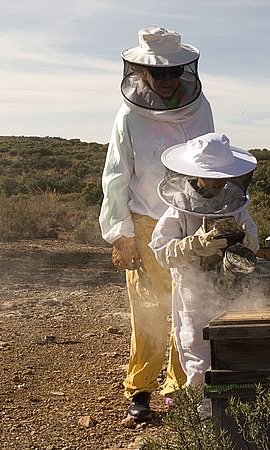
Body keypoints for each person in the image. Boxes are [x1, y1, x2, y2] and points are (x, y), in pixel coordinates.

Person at [99, 26, 214, 422]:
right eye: (158, 73)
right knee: (148, 309)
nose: (166, 80)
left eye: (173, 72)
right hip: (145, 219)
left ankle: (181, 390)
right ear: (141, 72)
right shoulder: (129, 114)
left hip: (190, 219)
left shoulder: (201, 108)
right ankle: (141, 391)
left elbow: (210, 163)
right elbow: (116, 175)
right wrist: (121, 235)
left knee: (189, 306)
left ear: (185, 70)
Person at [149, 132, 259, 413]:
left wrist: (245, 241)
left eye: (222, 176)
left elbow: (253, 239)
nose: (217, 183)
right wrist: (194, 244)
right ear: (195, 174)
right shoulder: (177, 210)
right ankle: (205, 419)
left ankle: (228, 413)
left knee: (232, 351)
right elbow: (162, 252)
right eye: (211, 177)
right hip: (193, 292)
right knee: (197, 354)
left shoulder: (234, 203)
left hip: (231, 288)